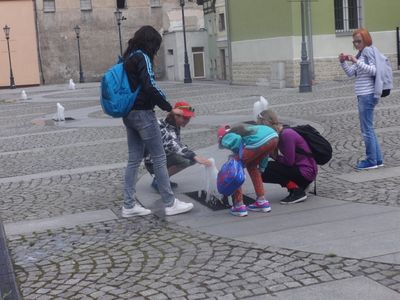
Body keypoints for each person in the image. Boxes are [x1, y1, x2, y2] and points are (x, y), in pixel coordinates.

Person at [121, 25, 193, 217]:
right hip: (143, 113)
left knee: (133, 160)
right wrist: (169, 108)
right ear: (151, 43)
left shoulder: (128, 57)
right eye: (157, 46)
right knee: (160, 158)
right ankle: (170, 203)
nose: (157, 50)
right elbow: (150, 86)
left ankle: (128, 205)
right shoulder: (143, 57)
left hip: (128, 114)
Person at [338, 28, 383, 170]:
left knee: (366, 130)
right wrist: (343, 62)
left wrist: (356, 61)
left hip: (367, 95)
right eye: (354, 41)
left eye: (359, 41)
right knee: (369, 128)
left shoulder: (368, 51)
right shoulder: (361, 53)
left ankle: (371, 160)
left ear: (366, 39)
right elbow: (351, 73)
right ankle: (378, 159)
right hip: (363, 95)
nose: (356, 44)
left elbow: (375, 70)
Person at [144, 101, 212, 190]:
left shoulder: (173, 125)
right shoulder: (163, 127)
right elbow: (174, 144)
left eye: (189, 118)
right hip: (153, 162)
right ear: (176, 115)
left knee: (189, 158)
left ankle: (164, 179)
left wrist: (192, 156)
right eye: (185, 118)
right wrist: (194, 156)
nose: (187, 121)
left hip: (161, 157)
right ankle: (159, 180)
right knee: (187, 160)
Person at [257, 109, 318, 204]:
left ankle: (297, 191)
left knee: (266, 169)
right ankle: (297, 187)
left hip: (306, 171)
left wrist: (275, 157)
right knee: (263, 169)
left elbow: (289, 161)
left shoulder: (286, 135)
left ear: (265, 124)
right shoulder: (280, 133)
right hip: (302, 168)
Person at [218, 124, 278, 217]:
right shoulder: (246, 131)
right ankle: (262, 201)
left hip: (258, 142)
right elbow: (265, 153)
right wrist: (262, 167)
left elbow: (238, 143)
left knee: (234, 169)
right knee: (252, 166)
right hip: (273, 137)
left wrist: (234, 160)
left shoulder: (227, 137)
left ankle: (239, 205)